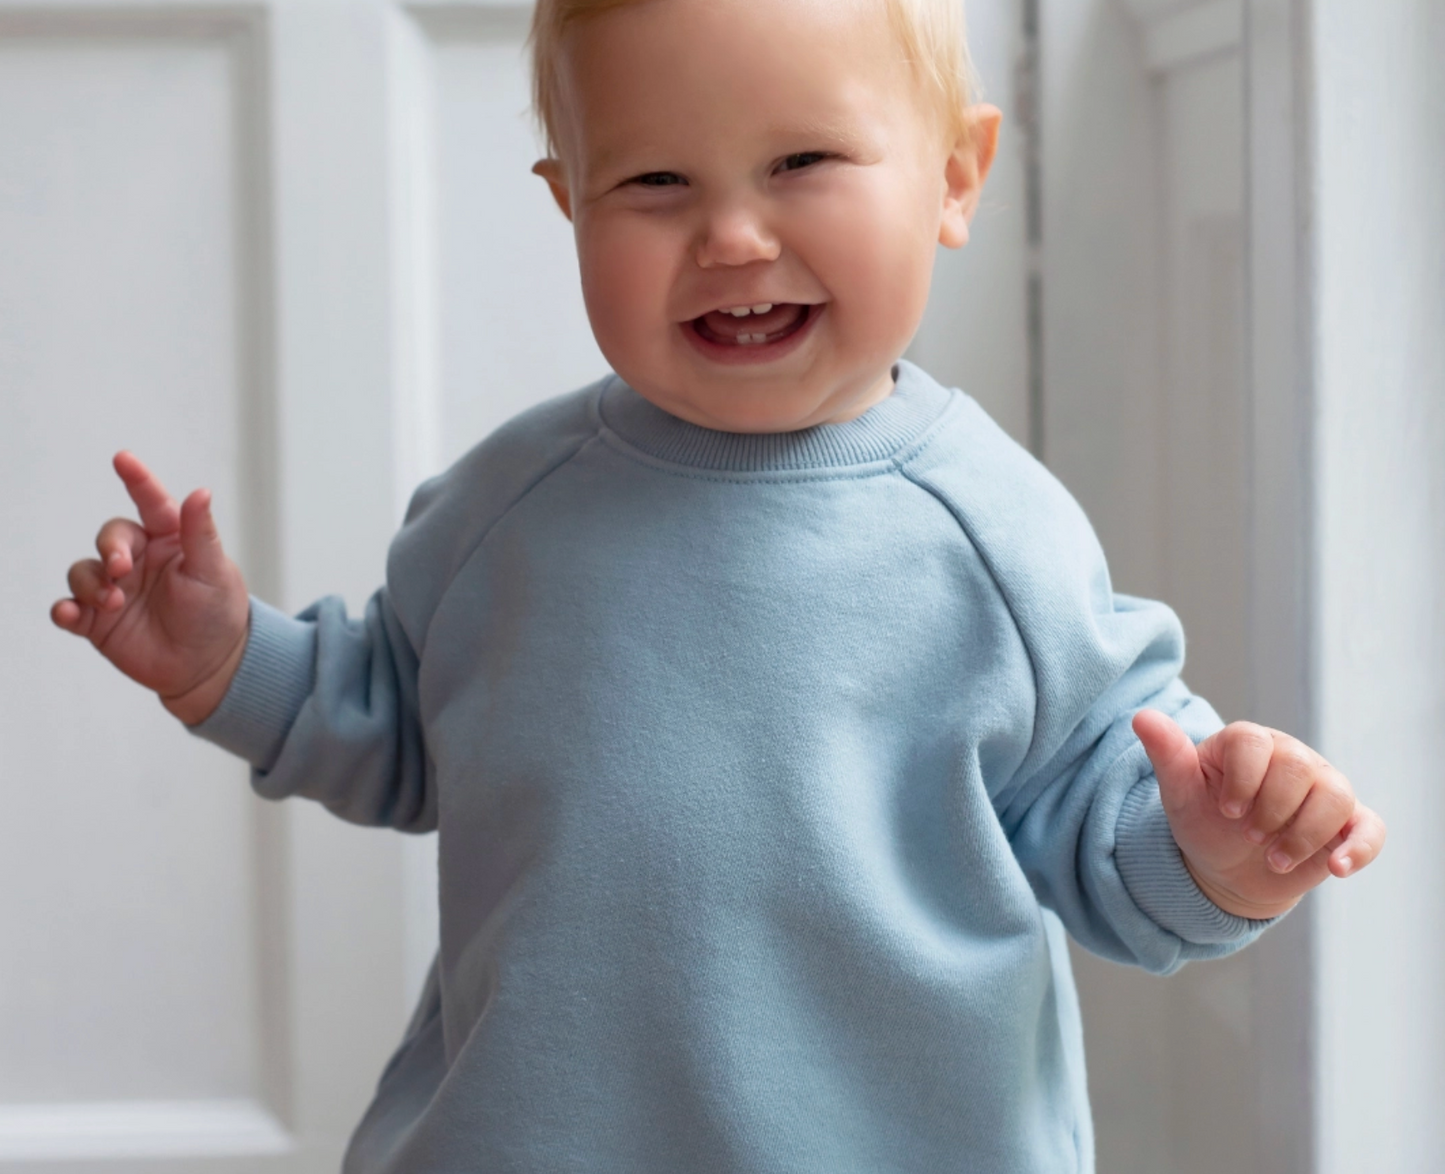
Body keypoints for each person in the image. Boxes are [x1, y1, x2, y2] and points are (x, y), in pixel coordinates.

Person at [51, 0, 1386, 1169]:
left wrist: (1216, 852)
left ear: (955, 176)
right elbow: (397, 720)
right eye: (654, 184)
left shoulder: (1001, 537)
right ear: (569, 198)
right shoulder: (505, 511)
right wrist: (228, 659)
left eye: (800, 162)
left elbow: (1107, 832)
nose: (734, 237)